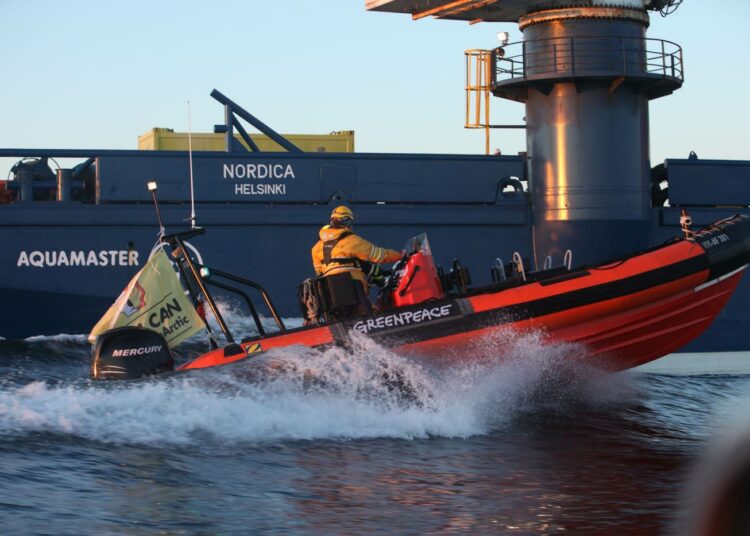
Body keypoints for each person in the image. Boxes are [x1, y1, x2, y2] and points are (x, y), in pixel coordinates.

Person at [311, 206, 402, 315]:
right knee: (369, 313)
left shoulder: (316, 247)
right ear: (346, 221)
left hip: (331, 295)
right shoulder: (351, 240)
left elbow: (319, 273)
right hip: (354, 288)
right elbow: (380, 255)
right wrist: (400, 255)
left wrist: (376, 275)